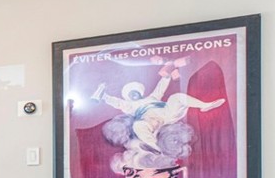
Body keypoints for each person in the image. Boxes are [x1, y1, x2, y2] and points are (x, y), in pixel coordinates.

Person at [91, 57, 225, 152]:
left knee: (176, 97)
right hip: (150, 123)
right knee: (138, 125)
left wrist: (167, 73)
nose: (134, 94)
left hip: (166, 114)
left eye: (136, 92)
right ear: (128, 96)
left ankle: (204, 105)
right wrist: (103, 94)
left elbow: (161, 86)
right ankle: (156, 146)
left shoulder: (152, 97)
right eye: (131, 93)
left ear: (140, 92)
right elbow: (116, 102)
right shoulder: (129, 106)